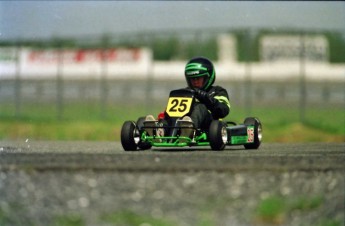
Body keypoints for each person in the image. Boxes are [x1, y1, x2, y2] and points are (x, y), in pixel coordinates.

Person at [145, 56, 231, 138]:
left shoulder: (217, 91)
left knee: (200, 107)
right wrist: (165, 115)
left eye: (198, 78)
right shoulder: (186, 92)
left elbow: (223, 110)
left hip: (208, 125)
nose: (195, 82)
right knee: (169, 114)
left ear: (207, 78)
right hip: (181, 123)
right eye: (192, 79)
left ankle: (188, 129)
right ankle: (160, 130)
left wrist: (206, 98)